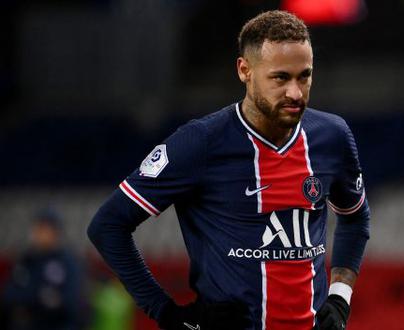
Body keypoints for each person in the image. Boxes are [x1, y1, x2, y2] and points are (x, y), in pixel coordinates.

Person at [87, 10, 370, 330]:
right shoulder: (200, 142)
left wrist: (340, 297)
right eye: (280, 78)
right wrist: (167, 313)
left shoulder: (332, 136)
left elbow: (355, 216)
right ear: (244, 70)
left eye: (304, 76)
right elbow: (108, 225)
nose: (295, 92)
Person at [2, 209, 84, 330]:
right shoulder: (27, 260)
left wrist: (33, 300)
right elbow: (9, 296)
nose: (39, 234)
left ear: (56, 232)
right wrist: (40, 297)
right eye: (37, 228)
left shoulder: (67, 262)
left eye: (44, 229)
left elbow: (69, 302)